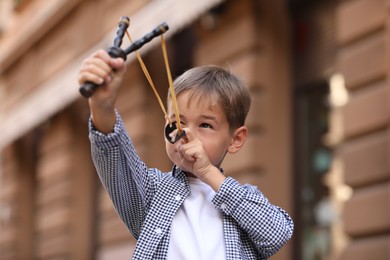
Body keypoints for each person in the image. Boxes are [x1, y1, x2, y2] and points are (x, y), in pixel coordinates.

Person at [78, 49, 294, 260]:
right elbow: (115, 158)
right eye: (177, 123)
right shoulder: (152, 190)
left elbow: (276, 233)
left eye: (205, 125)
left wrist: (208, 172)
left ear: (235, 140)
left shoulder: (243, 199)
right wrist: (101, 105)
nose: (186, 134)